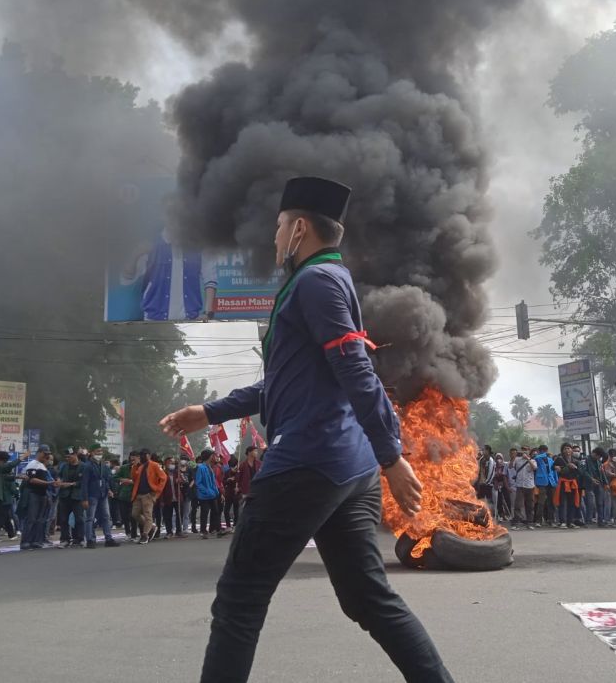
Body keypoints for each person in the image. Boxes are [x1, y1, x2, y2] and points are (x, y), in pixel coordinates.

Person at [160, 176, 453, 683]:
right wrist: (209, 413)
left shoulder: (315, 283)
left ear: (299, 229)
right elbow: (284, 382)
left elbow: (356, 370)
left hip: (308, 463)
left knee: (239, 599)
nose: (273, 239)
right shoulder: (327, 281)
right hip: (349, 469)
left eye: (277, 228)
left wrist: (393, 455)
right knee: (368, 598)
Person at [82, 445, 119, 548]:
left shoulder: (103, 465)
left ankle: (108, 539)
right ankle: (90, 540)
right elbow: (84, 483)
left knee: (106, 517)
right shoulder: (87, 466)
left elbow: (105, 479)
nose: (99, 454)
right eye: (97, 451)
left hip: (103, 494)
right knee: (90, 518)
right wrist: (84, 499)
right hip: (91, 495)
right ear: (92, 452)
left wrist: (109, 490)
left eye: (101, 452)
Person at [19, 445, 55, 550]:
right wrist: (49, 483)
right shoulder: (33, 464)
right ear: (39, 453)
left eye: (48, 454)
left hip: (42, 494)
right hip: (33, 494)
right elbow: (31, 479)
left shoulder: (43, 466)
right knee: (31, 518)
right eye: (45, 454)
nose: (47, 456)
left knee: (40, 519)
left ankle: (35, 540)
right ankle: (25, 541)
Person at [131, 447, 167, 544]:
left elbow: (163, 478)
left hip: (149, 494)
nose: (142, 456)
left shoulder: (155, 465)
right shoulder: (140, 466)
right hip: (138, 494)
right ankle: (152, 526)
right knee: (135, 514)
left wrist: (157, 492)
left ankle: (145, 535)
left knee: (148, 515)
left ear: (148, 455)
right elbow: (134, 478)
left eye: (143, 454)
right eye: (141, 455)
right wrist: (134, 466)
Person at [56, 447, 86, 548]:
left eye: (69, 457)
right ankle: (65, 539)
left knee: (79, 518)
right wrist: (59, 480)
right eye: (66, 457)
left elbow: (84, 482)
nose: (68, 459)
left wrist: (72, 484)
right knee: (63, 519)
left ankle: (80, 538)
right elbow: (59, 475)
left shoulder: (84, 466)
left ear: (75, 455)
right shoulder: (64, 466)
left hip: (77, 496)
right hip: (64, 495)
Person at [194, 449, 221, 539]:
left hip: (212, 494)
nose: (214, 457)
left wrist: (215, 491)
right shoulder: (200, 467)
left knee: (216, 511)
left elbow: (213, 481)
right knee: (204, 513)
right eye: (212, 455)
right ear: (209, 456)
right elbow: (198, 482)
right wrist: (207, 491)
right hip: (204, 495)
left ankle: (218, 529)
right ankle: (203, 531)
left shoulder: (210, 467)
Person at [553, 443, 581, 528]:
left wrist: (575, 467)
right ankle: (563, 522)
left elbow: (580, 472)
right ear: (562, 451)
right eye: (565, 449)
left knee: (571, 503)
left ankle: (570, 522)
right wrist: (556, 468)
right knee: (563, 503)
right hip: (563, 483)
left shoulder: (575, 460)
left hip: (573, 483)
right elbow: (553, 467)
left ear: (571, 450)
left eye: (568, 448)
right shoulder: (559, 459)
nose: (567, 450)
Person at [158, 455, 185, 539]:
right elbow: (160, 488)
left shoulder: (177, 472)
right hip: (167, 498)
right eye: (170, 463)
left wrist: (181, 480)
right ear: (165, 463)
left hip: (178, 498)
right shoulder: (162, 473)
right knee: (167, 516)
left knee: (179, 515)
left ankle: (179, 531)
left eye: (173, 463)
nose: (172, 464)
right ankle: (169, 532)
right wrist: (161, 500)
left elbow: (184, 481)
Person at [510, 447, 535, 530]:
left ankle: (530, 523)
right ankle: (516, 523)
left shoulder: (533, 460)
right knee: (517, 505)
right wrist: (514, 456)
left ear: (529, 451)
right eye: (523, 449)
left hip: (529, 485)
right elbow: (510, 466)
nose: (525, 451)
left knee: (530, 505)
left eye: (526, 449)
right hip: (520, 485)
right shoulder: (517, 460)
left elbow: (534, 468)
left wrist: (528, 459)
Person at [114, 452, 139, 540]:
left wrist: (133, 481)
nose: (132, 461)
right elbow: (115, 477)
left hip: (135, 495)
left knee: (133, 515)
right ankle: (128, 532)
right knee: (124, 516)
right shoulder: (124, 468)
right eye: (131, 459)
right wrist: (122, 479)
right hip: (123, 495)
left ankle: (134, 534)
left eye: (134, 459)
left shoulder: (140, 468)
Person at [533, 444, 558, 527]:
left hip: (551, 482)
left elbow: (554, 471)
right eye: (543, 450)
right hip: (542, 482)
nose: (545, 452)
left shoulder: (551, 460)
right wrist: (543, 454)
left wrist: (556, 481)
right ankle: (538, 521)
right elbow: (536, 458)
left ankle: (551, 520)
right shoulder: (538, 459)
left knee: (552, 502)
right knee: (541, 502)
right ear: (540, 451)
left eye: (546, 450)